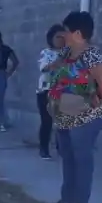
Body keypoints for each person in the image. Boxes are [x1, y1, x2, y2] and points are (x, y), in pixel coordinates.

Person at [48, 11, 102, 203]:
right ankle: (67, 199)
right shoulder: (66, 54)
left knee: (81, 158)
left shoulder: (93, 55)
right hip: (64, 115)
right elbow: (54, 73)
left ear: (77, 33)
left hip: (85, 117)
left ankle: (79, 202)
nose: (63, 35)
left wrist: (91, 103)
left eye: (66, 31)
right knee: (67, 157)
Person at [36, 24, 65, 160]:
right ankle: (44, 149)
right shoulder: (46, 53)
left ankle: (62, 148)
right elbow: (44, 68)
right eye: (58, 37)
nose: (60, 40)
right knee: (46, 121)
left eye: (63, 37)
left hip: (63, 92)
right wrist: (58, 62)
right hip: (45, 91)